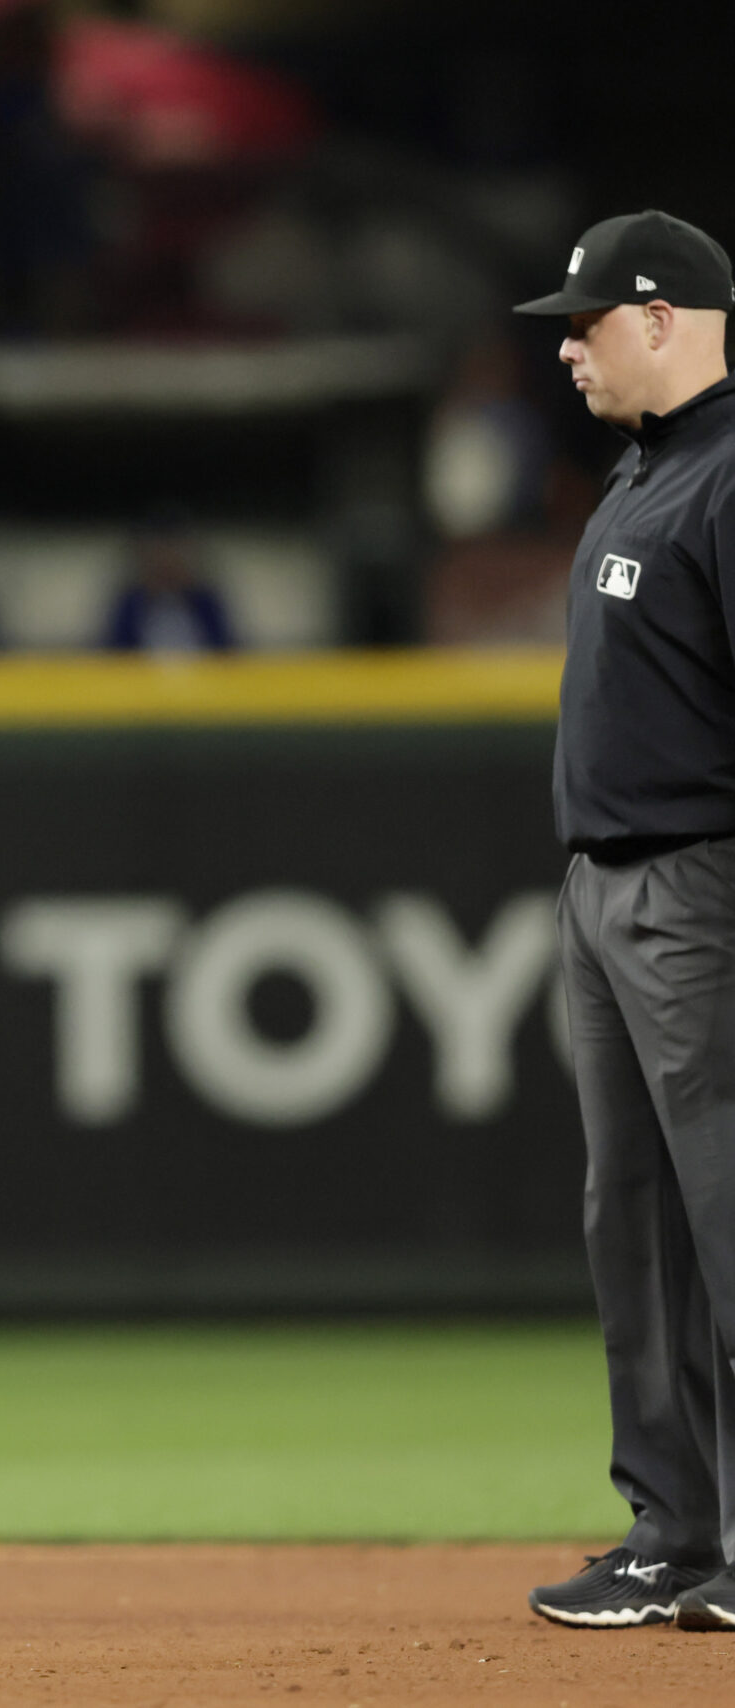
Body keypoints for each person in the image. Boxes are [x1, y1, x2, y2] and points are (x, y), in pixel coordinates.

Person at [514, 209, 735, 1632]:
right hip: (606, 889)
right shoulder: (648, 471)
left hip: (698, 884)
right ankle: (675, 1530)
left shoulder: (723, 480)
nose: (572, 347)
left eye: (589, 323)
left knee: (727, 1209)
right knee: (634, 1221)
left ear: (663, 319)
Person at [102, 522, 233, 652]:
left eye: (174, 555)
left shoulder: (206, 603)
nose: (166, 563)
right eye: (158, 556)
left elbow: (226, 649)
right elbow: (115, 652)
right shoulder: (130, 604)